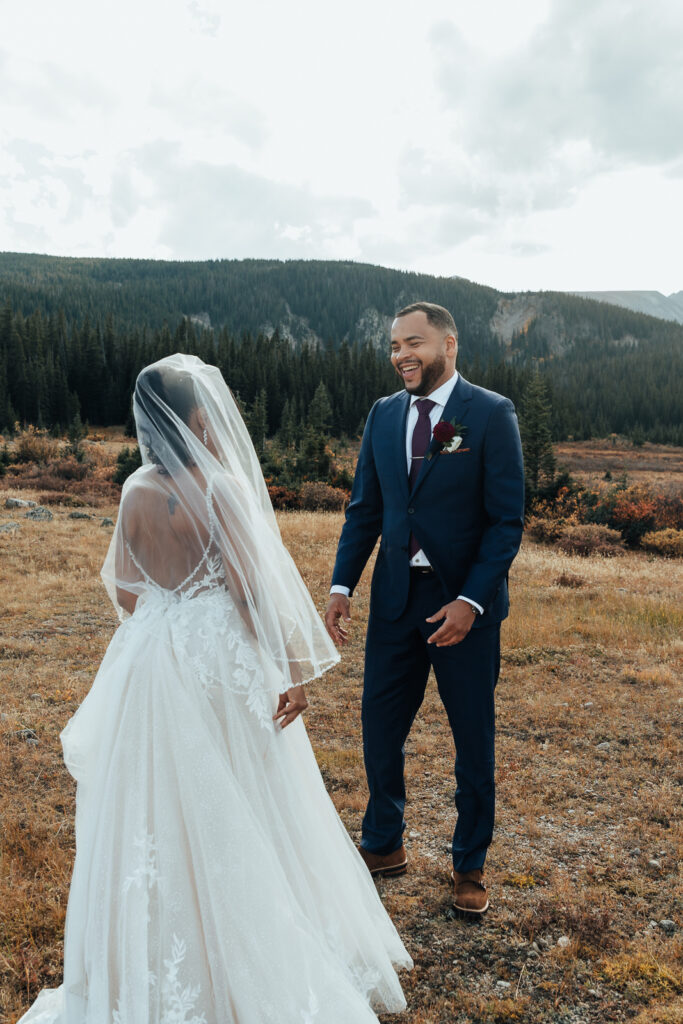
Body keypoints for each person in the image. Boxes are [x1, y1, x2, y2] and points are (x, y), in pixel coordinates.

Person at [17, 354, 411, 1024]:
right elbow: (251, 591)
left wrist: (165, 619)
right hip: (215, 656)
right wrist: (289, 672)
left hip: (152, 657)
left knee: (156, 797)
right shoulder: (220, 489)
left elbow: (122, 585)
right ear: (197, 417)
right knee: (245, 794)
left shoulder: (136, 487)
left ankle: (152, 947)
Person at [325, 302, 524, 916]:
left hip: (462, 607)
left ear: (448, 344)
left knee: (473, 739)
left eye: (413, 342)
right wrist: (341, 586)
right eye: (393, 346)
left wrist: (471, 601)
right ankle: (383, 844)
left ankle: (469, 865)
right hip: (393, 601)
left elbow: (505, 522)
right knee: (380, 731)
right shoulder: (384, 415)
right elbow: (366, 508)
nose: (401, 355)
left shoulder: (489, 414)